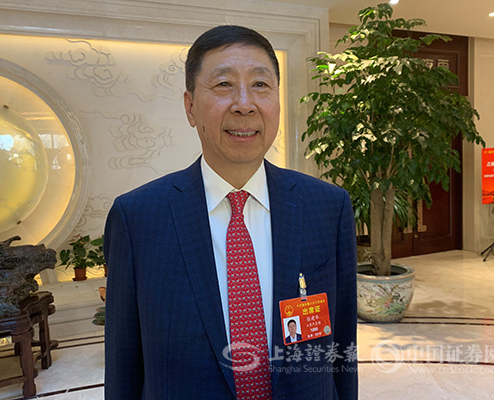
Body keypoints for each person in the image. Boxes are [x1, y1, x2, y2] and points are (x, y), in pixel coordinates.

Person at [103, 25, 358, 400]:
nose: (244, 104)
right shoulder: (138, 218)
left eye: (260, 85)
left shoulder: (327, 206)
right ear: (190, 106)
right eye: (224, 85)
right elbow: (123, 364)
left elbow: (342, 346)